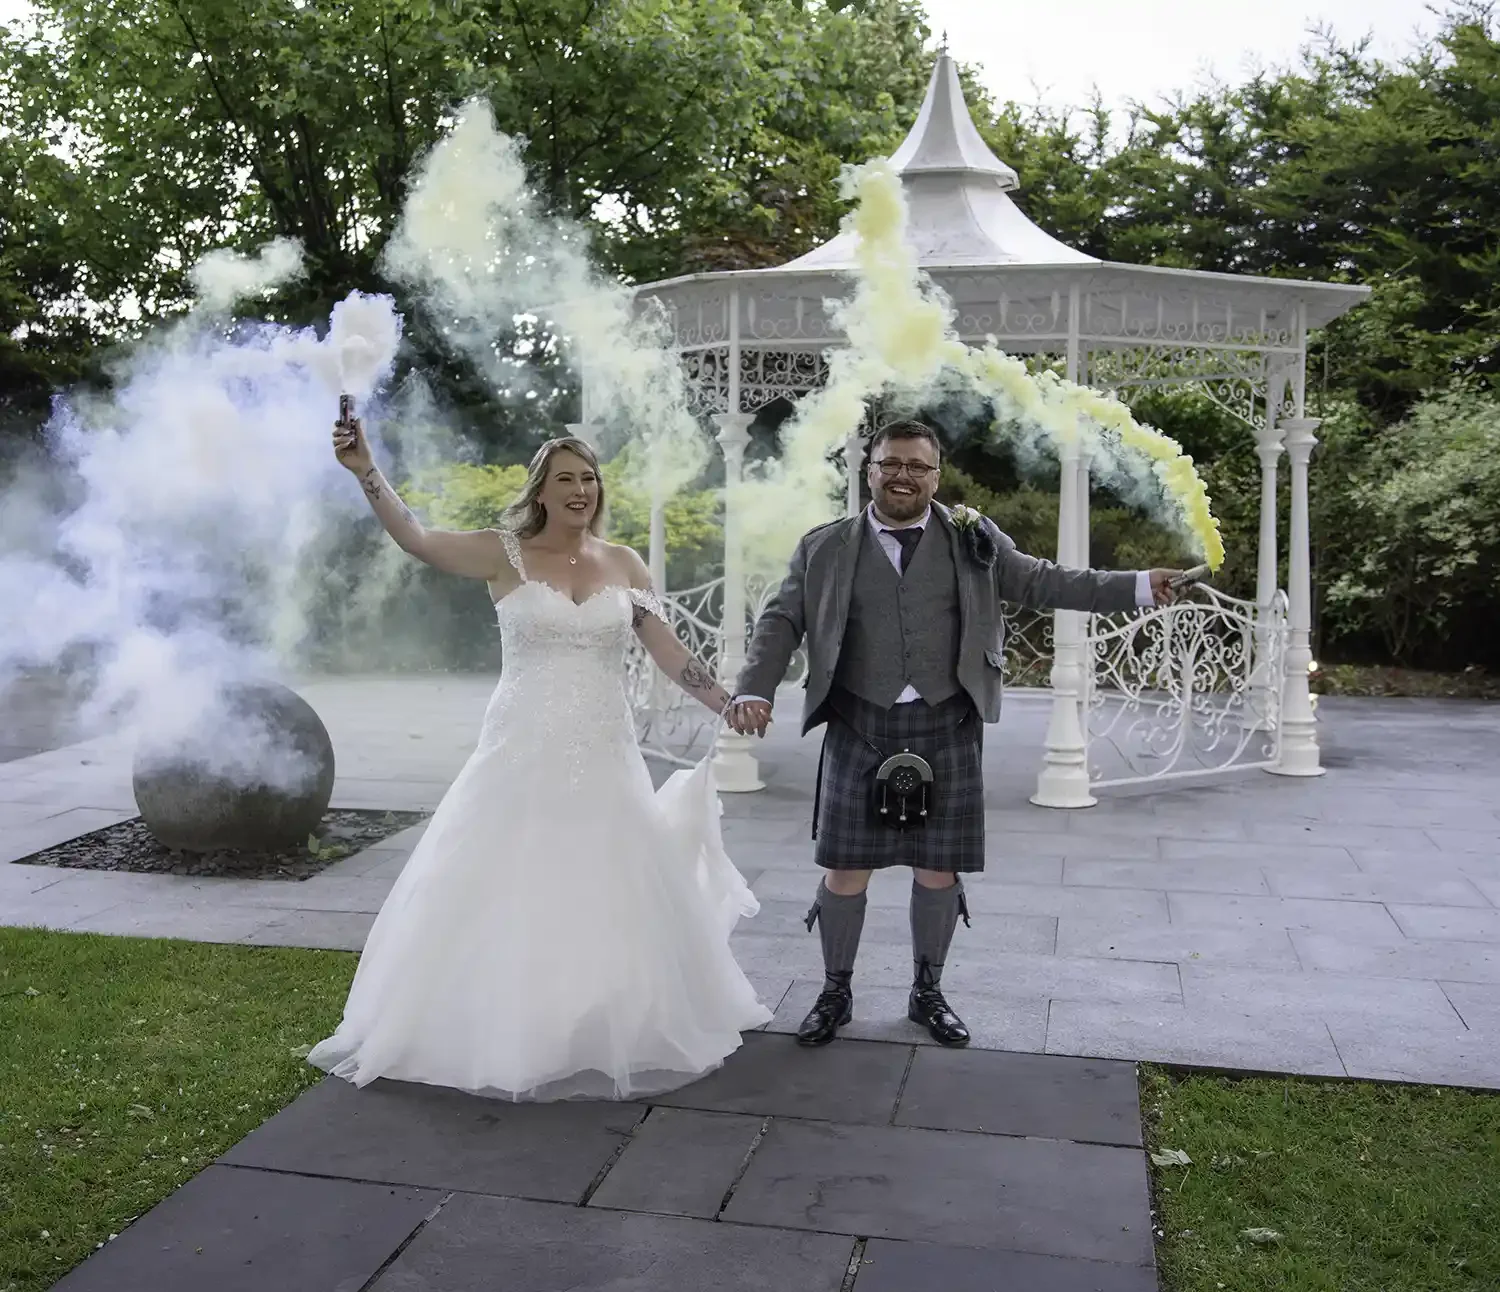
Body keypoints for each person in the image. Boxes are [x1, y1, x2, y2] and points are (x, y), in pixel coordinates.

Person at [308, 419, 770, 1100]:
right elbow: (418, 539)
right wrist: (365, 470)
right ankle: (504, 1022)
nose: (580, 489)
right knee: (507, 874)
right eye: (566, 479)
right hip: (520, 745)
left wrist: (727, 703)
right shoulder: (505, 554)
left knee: (611, 878)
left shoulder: (625, 563)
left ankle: (601, 1015)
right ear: (542, 491)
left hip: (605, 749)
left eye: (589, 478)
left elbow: (669, 652)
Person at [729, 419, 1180, 1048]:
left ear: (936, 477)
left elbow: (1044, 581)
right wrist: (754, 686)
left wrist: (1138, 585)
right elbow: (781, 619)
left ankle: (928, 993)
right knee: (845, 867)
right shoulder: (824, 546)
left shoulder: (974, 536)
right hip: (859, 721)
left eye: (917, 466)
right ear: (869, 471)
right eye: (891, 464)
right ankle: (835, 991)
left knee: (938, 869)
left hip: (946, 720)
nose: (903, 476)